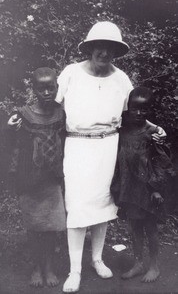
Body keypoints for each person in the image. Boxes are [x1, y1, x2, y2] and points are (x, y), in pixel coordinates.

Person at [8, 22, 166, 292]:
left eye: (110, 48)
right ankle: (75, 270)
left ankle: (97, 258)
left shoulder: (121, 78)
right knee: (79, 207)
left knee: (102, 206)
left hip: (109, 146)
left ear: (116, 51)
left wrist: (154, 128)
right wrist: (20, 121)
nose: (103, 53)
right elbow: (49, 106)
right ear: (91, 47)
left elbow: (132, 114)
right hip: (78, 147)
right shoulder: (72, 73)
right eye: (99, 47)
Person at [7, 68, 66, 287]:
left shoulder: (61, 113)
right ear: (34, 90)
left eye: (50, 87)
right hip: (30, 179)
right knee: (33, 226)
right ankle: (35, 267)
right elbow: (12, 145)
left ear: (56, 88)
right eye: (41, 88)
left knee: (51, 226)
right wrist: (8, 128)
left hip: (52, 180)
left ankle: (48, 266)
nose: (47, 92)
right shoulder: (22, 114)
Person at [111, 87, 174, 282]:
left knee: (150, 228)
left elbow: (161, 162)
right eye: (135, 109)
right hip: (129, 187)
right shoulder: (123, 129)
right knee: (134, 227)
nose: (139, 113)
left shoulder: (154, 133)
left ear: (149, 110)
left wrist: (156, 189)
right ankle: (138, 262)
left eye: (144, 110)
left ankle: (154, 265)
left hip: (147, 189)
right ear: (128, 108)